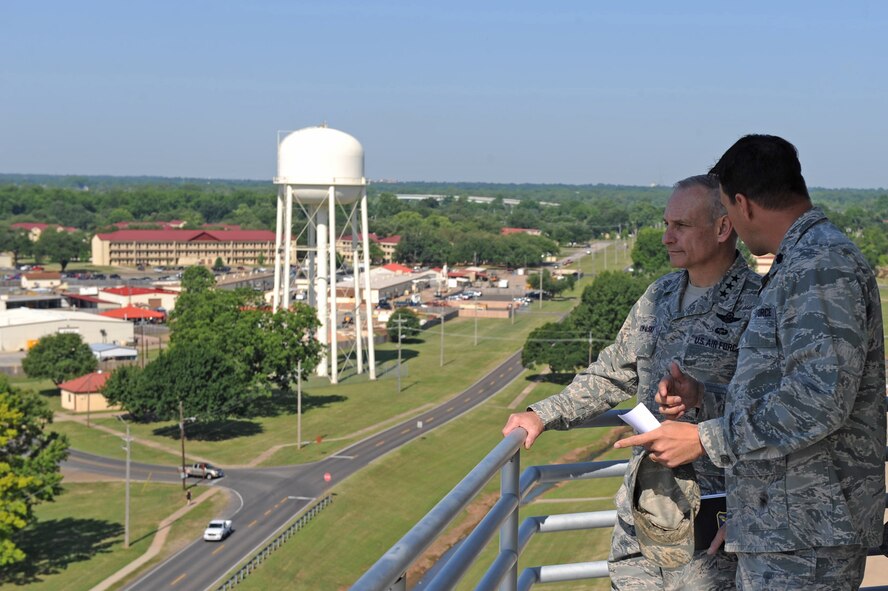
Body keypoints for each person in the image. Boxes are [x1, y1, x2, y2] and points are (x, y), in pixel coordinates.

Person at [615, 134, 886, 590]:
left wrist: (705, 439)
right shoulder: (799, 261)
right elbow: (787, 392)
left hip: (808, 534)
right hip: (783, 525)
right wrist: (706, 398)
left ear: (742, 204)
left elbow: (819, 402)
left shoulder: (819, 267)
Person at [502, 174, 761, 590]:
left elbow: (777, 415)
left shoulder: (760, 306)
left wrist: (703, 400)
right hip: (643, 517)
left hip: (713, 531)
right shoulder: (659, 295)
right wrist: (541, 414)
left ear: (722, 227)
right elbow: (611, 373)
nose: (666, 237)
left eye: (680, 226)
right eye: (665, 224)